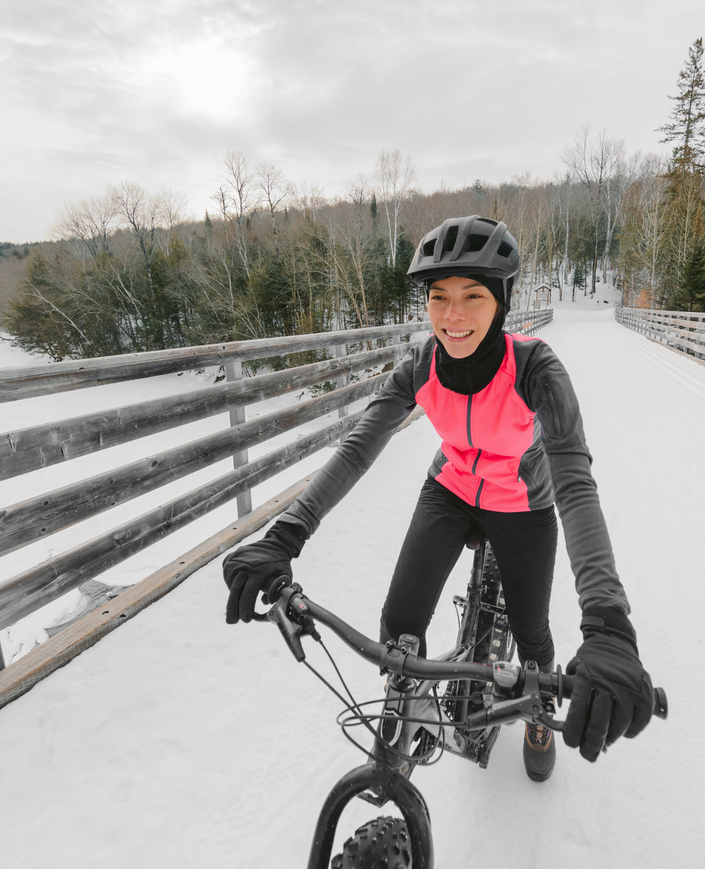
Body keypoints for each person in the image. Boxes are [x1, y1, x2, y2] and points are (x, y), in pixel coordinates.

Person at [222, 215, 655, 782]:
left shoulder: (536, 370)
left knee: (532, 636)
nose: (453, 315)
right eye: (438, 297)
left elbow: (574, 480)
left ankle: (536, 716)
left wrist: (608, 624)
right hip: (450, 487)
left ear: (501, 302)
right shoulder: (422, 366)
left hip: (522, 500)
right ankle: (408, 716)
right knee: (398, 623)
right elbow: (357, 449)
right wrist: (285, 534)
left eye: (473, 296)